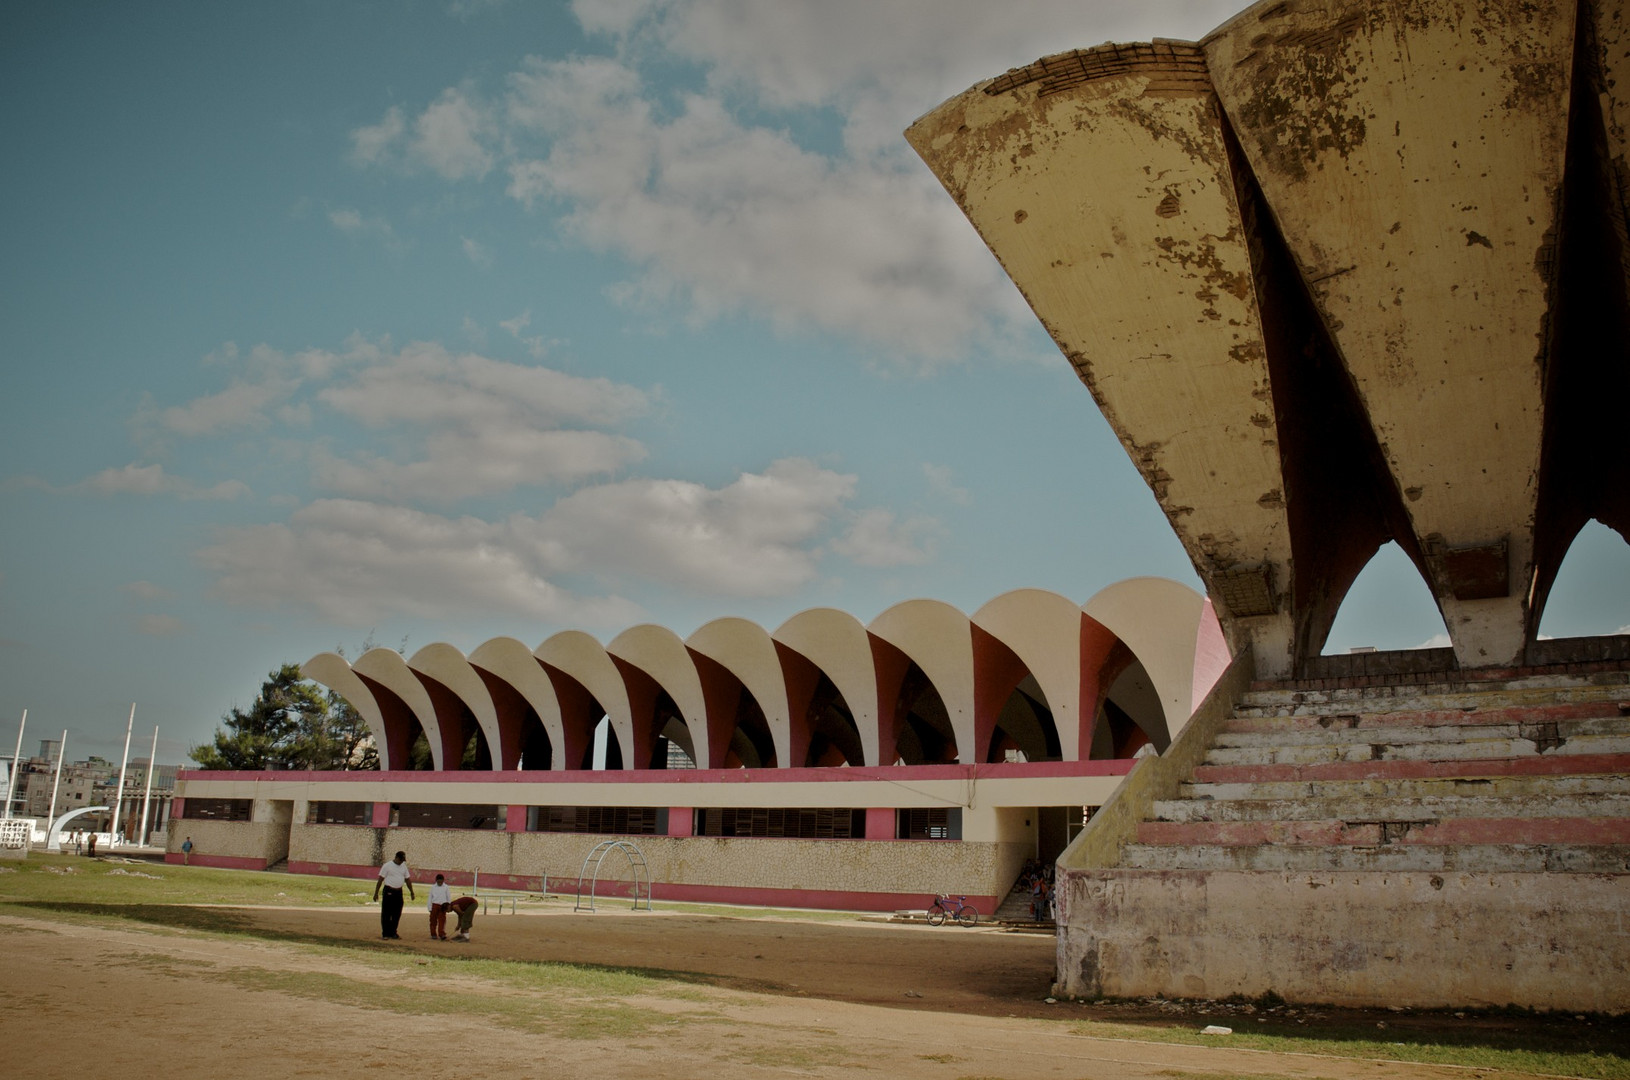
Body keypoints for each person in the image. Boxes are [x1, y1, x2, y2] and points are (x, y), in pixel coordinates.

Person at [372, 850, 414, 939]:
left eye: (403, 860)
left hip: (398, 892)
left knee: (397, 913)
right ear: (396, 858)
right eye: (401, 860)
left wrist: (411, 892)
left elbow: (407, 880)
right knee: (386, 913)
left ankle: (393, 932)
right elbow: (380, 880)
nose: (402, 862)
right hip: (389, 891)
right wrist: (376, 893)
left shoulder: (403, 866)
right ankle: (385, 933)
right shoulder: (387, 866)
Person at [426, 873, 451, 940]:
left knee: (442, 920)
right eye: (438, 882)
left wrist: (448, 906)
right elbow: (430, 898)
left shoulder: (446, 887)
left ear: (443, 881)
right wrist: (429, 907)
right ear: (436, 881)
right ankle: (433, 934)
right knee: (433, 920)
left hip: (443, 906)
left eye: (441, 882)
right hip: (434, 905)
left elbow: (448, 897)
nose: (440, 883)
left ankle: (442, 934)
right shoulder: (433, 887)